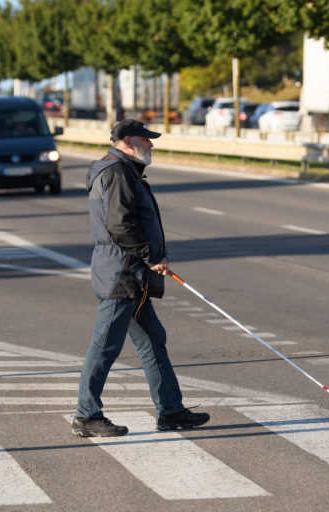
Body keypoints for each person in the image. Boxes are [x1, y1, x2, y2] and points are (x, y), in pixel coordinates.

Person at [72, 119, 210, 437]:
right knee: (105, 345)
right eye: (146, 140)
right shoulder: (117, 172)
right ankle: (85, 415)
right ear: (129, 141)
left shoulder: (121, 170)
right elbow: (120, 225)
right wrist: (151, 256)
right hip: (122, 273)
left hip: (131, 273)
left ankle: (170, 410)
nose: (151, 145)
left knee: (152, 340)